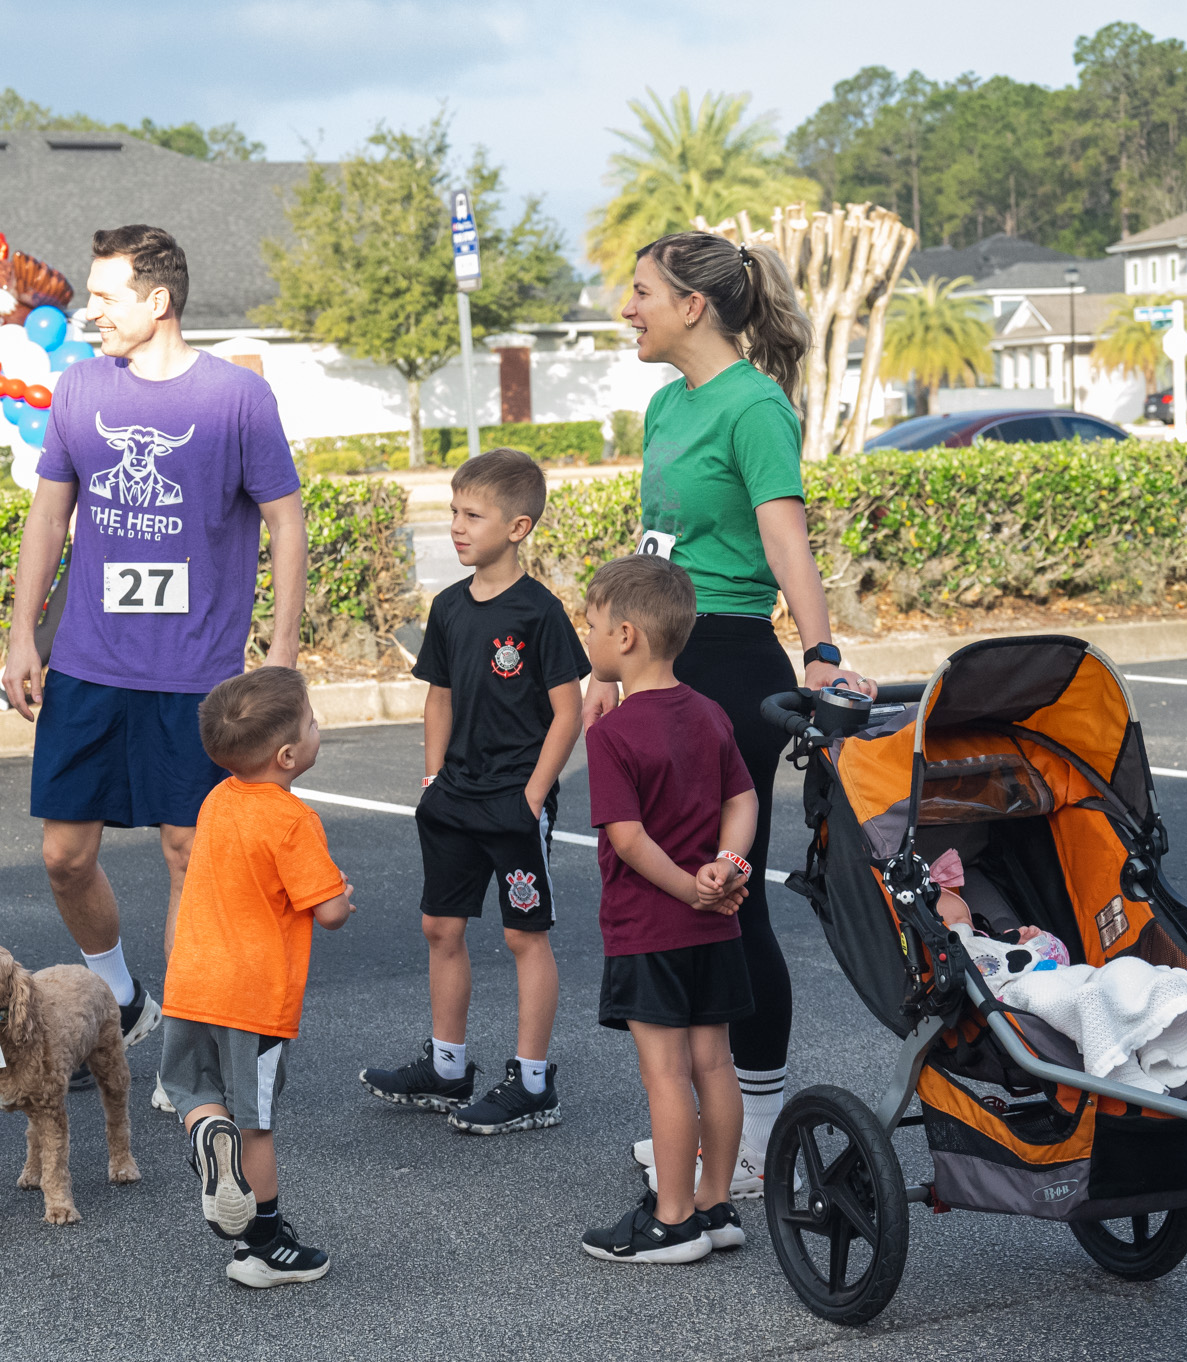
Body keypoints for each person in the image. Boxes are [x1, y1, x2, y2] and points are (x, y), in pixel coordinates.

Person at [582, 231, 875, 1194]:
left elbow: (787, 542)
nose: (628, 308)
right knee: (674, 904)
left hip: (730, 657)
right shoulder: (669, 403)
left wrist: (821, 653)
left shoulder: (754, 406)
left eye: (641, 292)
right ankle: (712, 1131)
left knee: (726, 897)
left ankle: (756, 1137)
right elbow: (652, 550)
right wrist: (608, 666)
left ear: (693, 306)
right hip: (659, 656)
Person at [0, 225, 307, 1106]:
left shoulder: (237, 398)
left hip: (197, 674)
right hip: (89, 664)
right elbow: (48, 518)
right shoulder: (78, 387)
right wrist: (23, 633)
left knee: (188, 856)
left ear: (158, 300)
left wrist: (281, 655)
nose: (89, 312)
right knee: (64, 855)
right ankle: (122, 998)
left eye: (105, 297)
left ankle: (185, 1043)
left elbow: (287, 522)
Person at [360, 449, 590, 1135]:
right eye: (453, 512)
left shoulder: (540, 612)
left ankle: (533, 1083)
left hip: (512, 799)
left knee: (525, 936)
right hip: (453, 797)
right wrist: (433, 778)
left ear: (518, 527)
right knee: (441, 926)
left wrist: (534, 796)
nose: (456, 527)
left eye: (472, 515)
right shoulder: (449, 607)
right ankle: (448, 1067)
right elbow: (440, 697)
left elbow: (569, 712)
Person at [576, 554, 759, 1265]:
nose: (588, 637)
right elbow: (742, 798)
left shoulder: (613, 733)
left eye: (592, 625)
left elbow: (627, 839)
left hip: (649, 927)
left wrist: (688, 887)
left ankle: (673, 1218)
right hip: (716, 925)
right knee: (716, 1063)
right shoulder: (709, 713)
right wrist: (727, 866)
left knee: (666, 1074)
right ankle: (716, 1204)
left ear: (625, 636)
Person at [159, 667, 354, 1287]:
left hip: (191, 981)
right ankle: (263, 1247)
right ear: (288, 756)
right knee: (255, 1121)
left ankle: (205, 1133)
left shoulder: (217, 799)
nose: (318, 728)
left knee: (193, 1087)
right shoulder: (293, 820)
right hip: (253, 996)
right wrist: (344, 896)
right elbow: (329, 913)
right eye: (312, 722)